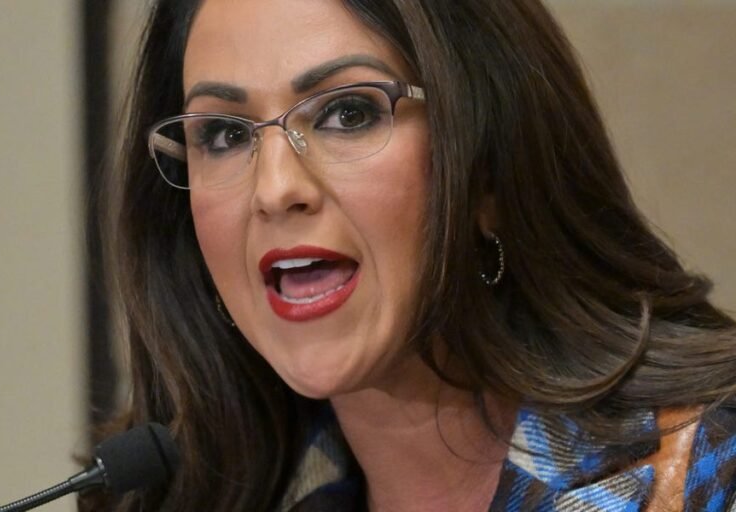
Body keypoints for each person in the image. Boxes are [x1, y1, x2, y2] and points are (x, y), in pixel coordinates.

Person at [84, 0, 736, 510]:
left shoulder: (710, 476)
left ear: (489, 168)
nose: (275, 189)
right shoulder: (183, 494)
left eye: (348, 113)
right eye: (225, 134)